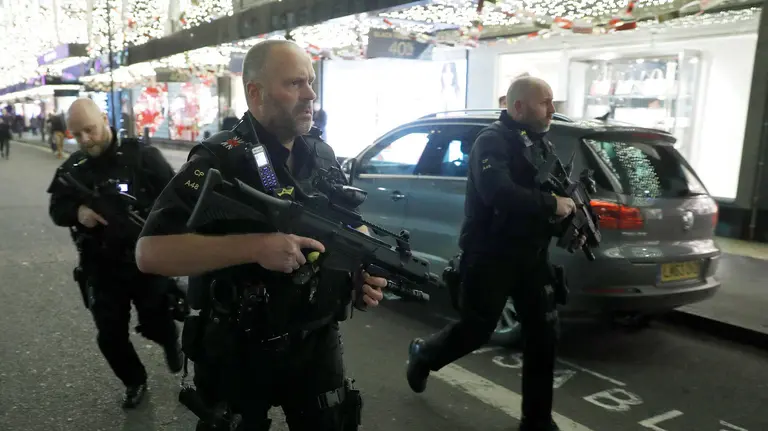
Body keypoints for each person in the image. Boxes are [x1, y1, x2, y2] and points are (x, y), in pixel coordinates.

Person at [134, 39, 387, 431]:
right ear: (256, 92)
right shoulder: (217, 159)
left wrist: (358, 276)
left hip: (315, 342)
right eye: (295, 83)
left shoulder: (320, 153)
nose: (310, 94)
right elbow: (150, 253)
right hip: (237, 348)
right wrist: (256, 247)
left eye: (311, 82)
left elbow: (348, 225)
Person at [405, 77, 583, 431]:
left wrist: (568, 219)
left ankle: (537, 421)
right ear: (518, 107)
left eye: (552, 102)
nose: (552, 109)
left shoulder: (539, 144)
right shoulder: (492, 141)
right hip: (491, 254)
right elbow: (496, 191)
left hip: (531, 256)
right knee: (477, 328)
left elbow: (551, 195)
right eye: (545, 102)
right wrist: (552, 204)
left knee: (544, 334)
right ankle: (425, 355)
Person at [47, 98, 183, 409]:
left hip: (145, 260)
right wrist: (78, 211)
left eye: (89, 130)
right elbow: (57, 208)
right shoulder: (72, 170)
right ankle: (134, 380)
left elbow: (178, 196)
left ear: (105, 120)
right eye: (76, 134)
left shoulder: (143, 157)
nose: (84, 140)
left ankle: (170, 341)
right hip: (100, 266)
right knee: (109, 336)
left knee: (156, 323)